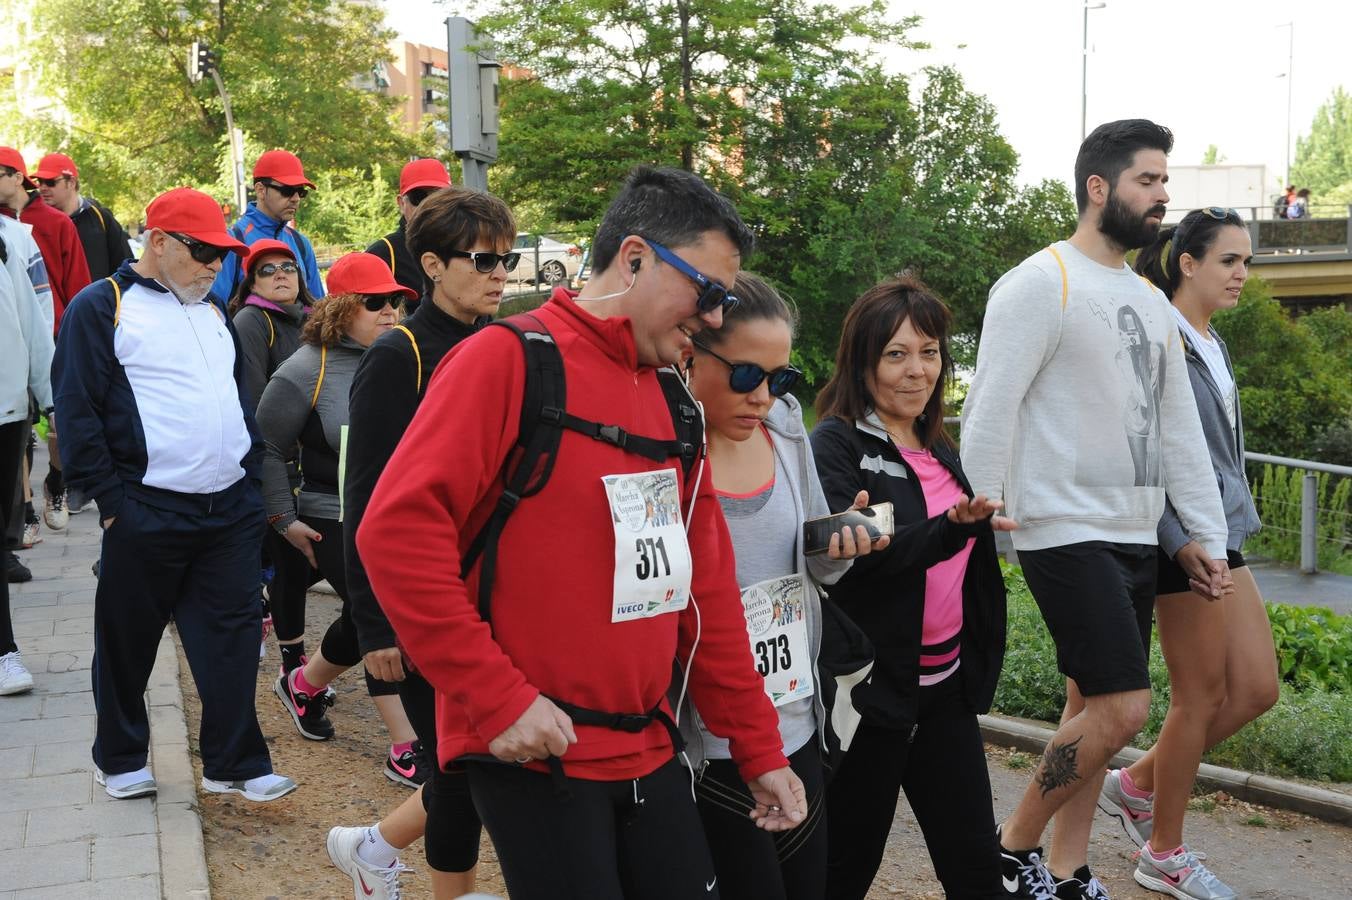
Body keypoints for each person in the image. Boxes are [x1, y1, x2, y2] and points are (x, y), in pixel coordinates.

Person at [356, 165, 806, 900]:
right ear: (635, 259)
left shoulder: (675, 401)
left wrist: (758, 749)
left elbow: (707, 597)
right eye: (709, 292)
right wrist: (497, 698)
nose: (716, 318)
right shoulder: (505, 360)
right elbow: (397, 534)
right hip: (537, 754)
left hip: (651, 749)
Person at [960, 119, 1230, 900]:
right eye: (1149, 180)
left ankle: (1069, 870)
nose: (1164, 195)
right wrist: (979, 511)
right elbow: (992, 403)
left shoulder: (1148, 298)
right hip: (1060, 525)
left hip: (1133, 530)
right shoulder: (1040, 282)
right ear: (1099, 188)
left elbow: (1178, 427)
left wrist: (1203, 536)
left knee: (1089, 705)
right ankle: (1009, 850)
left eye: (1164, 181)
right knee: (1122, 705)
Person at [51, 187, 295, 802]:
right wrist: (111, 505)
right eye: (204, 250)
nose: (217, 264)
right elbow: (76, 410)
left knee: (234, 637)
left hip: (227, 510)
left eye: (223, 253)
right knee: (128, 641)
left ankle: (234, 762)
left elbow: (239, 401)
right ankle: (121, 757)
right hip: (143, 509)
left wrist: (249, 476)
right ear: (158, 242)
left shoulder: (212, 309)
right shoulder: (101, 305)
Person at [329, 186, 516, 900]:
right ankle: (439, 887)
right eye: (483, 259)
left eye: (508, 258)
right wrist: (375, 623)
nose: (500, 273)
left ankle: (372, 848)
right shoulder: (399, 354)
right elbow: (364, 496)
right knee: (459, 765)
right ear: (433, 265)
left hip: (489, 589)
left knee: (470, 762)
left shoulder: (501, 343)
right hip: (423, 597)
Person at [1093, 207, 1279, 900]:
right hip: (1180, 541)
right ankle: (1164, 853)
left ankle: (1136, 784)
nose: (1242, 274)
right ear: (1188, 263)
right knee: (1198, 696)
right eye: (1230, 260)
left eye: (1247, 262)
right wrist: (1179, 540)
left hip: (1222, 530)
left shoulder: (1211, 341)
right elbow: (1141, 450)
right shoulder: (1160, 337)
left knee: (1258, 686)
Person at [682, 272, 884, 900]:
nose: (765, 396)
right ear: (690, 356)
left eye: (782, 378)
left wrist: (839, 546)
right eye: (748, 376)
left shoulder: (788, 429)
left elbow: (812, 568)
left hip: (797, 717)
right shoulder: (663, 447)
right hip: (708, 737)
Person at [810, 275, 1011, 899]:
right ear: (862, 362)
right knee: (844, 870)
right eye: (896, 354)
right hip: (868, 697)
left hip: (944, 693)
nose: (916, 371)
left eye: (929, 353)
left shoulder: (941, 446)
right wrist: (951, 528)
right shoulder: (837, 444)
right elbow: (859, 558)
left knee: (977, 867)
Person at [258, 252, 424, 783]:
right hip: (331, 515)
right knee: (381, 615)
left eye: (395, 301)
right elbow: (265, 447)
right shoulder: (305, 369)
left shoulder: (405, 357)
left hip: (398, 514)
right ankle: (406, 744)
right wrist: (284, 518)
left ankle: (302, 684)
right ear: (341, 308)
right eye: (375, 303)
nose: (390, 311)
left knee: (364, 617)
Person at [228, 238, 317, 665]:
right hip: (276, 458)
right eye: (268, 269)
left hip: (314, 460)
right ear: (252, 281)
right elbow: (255, 399)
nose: (281, 274)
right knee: (291, 564)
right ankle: (294, 666)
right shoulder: (251, 320)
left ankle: (265, 605)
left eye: (288, 267)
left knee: (305, 563)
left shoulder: (312, 319)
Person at [0, 148, 90, 538]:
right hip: (13, 350)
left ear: (17, 176)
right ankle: (23, 512)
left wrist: (76, 339)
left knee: (57, 425)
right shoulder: (6, 228)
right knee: (16, 426)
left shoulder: (54, 224)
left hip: (54, 341)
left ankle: (57, 480)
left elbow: (77, 286)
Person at [0, 228, 56, 696]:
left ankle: (3, 650)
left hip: (5, 411)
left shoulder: (7, 242)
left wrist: (54, 400)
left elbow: (35, 324)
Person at [212, 149, 325, 303]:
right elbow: (216, 309)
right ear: (260, 190)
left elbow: (317, 309)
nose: (296, 198)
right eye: (288, 190)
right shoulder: (233, 242)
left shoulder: (301, 243)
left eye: (301, 192)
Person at [365, 157, 452, 312]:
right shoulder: (382, 254)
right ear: (401, 203)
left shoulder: (465, 247)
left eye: (439, 197)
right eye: (418, 197)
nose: (428, 206)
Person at [33, 152, 135, 282]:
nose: (42, 188)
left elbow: (125, 267)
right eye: (39, 182)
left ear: (71, 182)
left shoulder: (102, 219)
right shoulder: (36, 223)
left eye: (50, 182)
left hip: (99, 301)